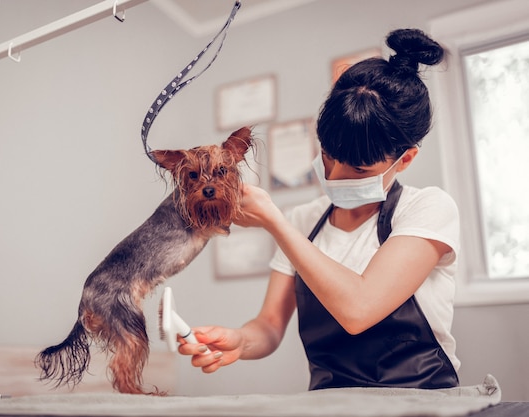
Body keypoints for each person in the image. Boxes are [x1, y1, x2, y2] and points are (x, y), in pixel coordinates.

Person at [179, 28, 461, 390]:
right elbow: (269, 326)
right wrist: (238, 341)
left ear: (405, 159)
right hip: (331, 402)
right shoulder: (304, 220)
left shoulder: (428, 209)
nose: (334, 175)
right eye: (328, 156)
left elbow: (358, 310)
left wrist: (274, 222)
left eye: (358, 169)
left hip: (422, 399)